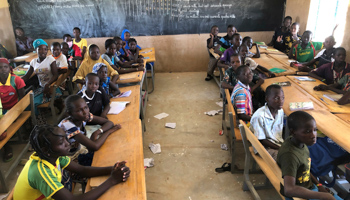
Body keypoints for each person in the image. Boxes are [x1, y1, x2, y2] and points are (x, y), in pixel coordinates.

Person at [13, 124, 129, 200]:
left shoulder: (54, 156)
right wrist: (112, 180)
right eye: (61, 143)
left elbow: (82, 170)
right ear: (45, 149)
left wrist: (112, 169)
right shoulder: (40, 172)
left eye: (65, 138)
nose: (68, 143)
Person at [277, 111, 341, 200]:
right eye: (307, 132)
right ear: (293, 132)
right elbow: (289, 190)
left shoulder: (299, 143)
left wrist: (319, 185)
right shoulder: (290, 155)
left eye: (314, 130)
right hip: (298, 195)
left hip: (309, 187)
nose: (313, 135)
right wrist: (323, 196)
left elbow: (305, 170)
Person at [22, 39, 60, 114]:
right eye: (40, 49)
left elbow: (55, 75)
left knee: (31, 104)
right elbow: (27, 76)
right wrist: (16, 81)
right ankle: (36, 120)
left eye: (45, 49)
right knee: (26, 103)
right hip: (41, 88)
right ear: (35, 50)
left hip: (51, 88)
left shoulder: (50, 59)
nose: (43, 51)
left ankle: (39, 122)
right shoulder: (33, 62)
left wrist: (48, 83)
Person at [0, 58, 25, 162]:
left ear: (9, 68)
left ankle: (7, 147)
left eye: (5, 67)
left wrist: (15, 112)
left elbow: (23, 100)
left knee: (2, 126)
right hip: (2, 110)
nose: (3, 70)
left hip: (14, 109)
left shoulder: (16, 80)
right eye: (0, 68)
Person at [250, 84, 285, 160]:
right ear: (267, 99)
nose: (281, 101)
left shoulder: (280, 111)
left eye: (282, 98)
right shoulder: (259, 116)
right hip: (264, 148)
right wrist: (280, 148)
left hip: (277, 143)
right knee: (286, 159)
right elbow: (261, 140)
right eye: (276, 98)